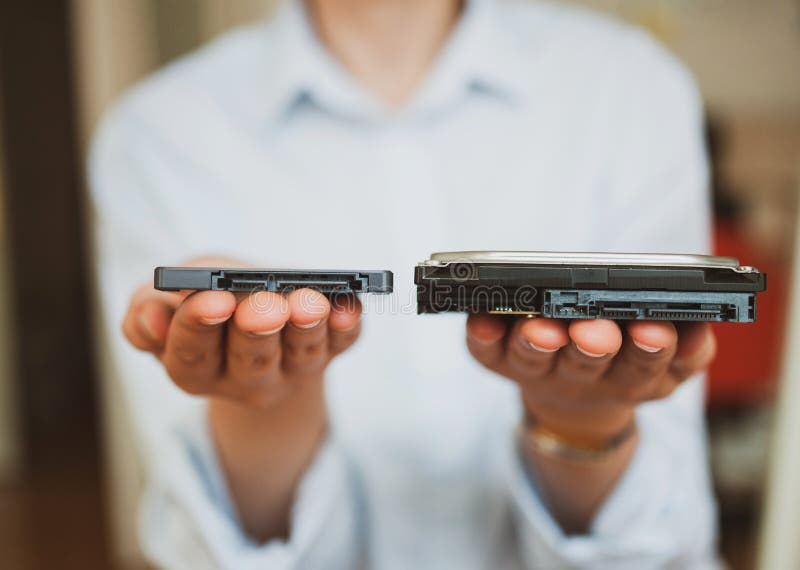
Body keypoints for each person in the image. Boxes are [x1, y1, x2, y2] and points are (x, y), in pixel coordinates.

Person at [90, 0, 720, 568]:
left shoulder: (634, 89)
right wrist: (266, 409)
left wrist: (583, 419)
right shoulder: (155, 138)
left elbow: (665, 548)